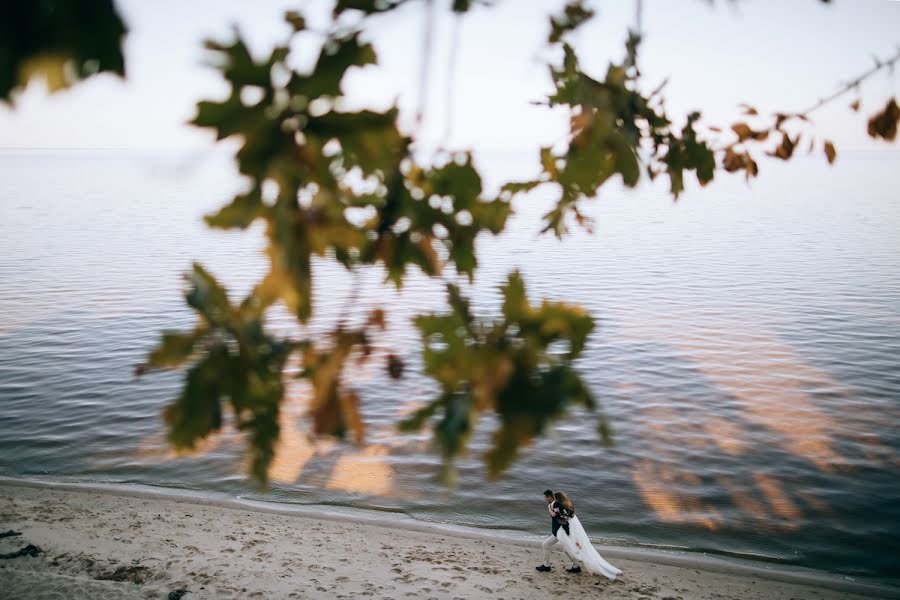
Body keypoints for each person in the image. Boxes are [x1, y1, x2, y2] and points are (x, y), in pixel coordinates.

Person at [551, 491, 623, 580]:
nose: (554, 500)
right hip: (575, 524)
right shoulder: (568, 505)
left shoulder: (560, 506)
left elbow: (559, 517)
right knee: (581, 544)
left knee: (575, 544)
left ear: (558, 499)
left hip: (571, 526)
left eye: (555, 498)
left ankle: (578, 560)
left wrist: (551, 509)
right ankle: (578, 558)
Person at [535, 489, 580, 573]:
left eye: (545, 497)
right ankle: (576, 566)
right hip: (564, 530)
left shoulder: (555, 504)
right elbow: (564, 517)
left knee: (545, 545)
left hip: (560, 531)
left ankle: (546, 566)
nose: (545, 498)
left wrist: (549, 508)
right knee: (566, 550)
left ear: (548, 497)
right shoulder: (563, 505)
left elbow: (555, 515)